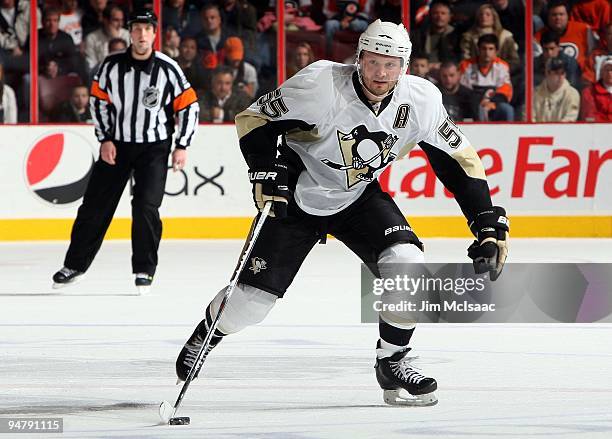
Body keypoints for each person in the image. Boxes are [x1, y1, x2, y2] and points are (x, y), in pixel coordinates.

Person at [176, 20, 509, 406]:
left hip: (358, 197)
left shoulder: (422, 101)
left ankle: (393, 359)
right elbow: (254, 119)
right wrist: (266, 170)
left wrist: (486, 222)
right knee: (250, 305)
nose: (380, 74)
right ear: (358, 60)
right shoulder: (320, 84)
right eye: (372, 62)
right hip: (298, 197)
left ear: (405, 67)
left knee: (407, 263)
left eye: (391, 64)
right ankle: (209, 332)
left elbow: (459, 162)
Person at [52, 9, 199, 294]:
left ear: (155, 34)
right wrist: (105, 138)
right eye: (137, 29)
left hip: (154, 148)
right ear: (129, 33)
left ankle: (144, 269)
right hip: (116, 146)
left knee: (145, 208)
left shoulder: (168, 68)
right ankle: (75, 265)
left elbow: (189, 105)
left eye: (147, 29)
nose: (142, 34)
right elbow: (98, 102)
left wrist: (182, 144)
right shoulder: (111, 66)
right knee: (94, 207)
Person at [459, 34, 514, 121]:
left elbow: (506, 90)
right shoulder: (466, 65)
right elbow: (463, 90)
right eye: (483, 48)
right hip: (472, 105)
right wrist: (479, 102)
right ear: (479, 49)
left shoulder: (502, 66)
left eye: (491, 49)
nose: (487, 53)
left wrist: (492, 102)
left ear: (496, 51)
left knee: (507, 109)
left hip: (494, 104)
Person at [459, 3, 519, 73]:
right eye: (481, 14)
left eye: (487, 14)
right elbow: (465, 58)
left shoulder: (506, 37)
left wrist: (502, 70)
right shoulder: (468, 37)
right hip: (474, 73)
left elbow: (514, 61)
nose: (484, 17)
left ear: (494, 18)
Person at [84, 4, 130, 72]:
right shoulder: (92, 38)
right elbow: (91, 67)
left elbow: (129, 63)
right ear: (105, 20)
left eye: (121, 20)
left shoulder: (127, 35)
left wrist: (116, 39)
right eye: (116, 20)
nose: (120, 24)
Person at [534, 57, 580, 122]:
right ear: (547, 73)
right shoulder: (534, 93)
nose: (560, 77)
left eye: (562, 73)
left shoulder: (572, 94)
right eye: (556, 73)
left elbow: (569, 120)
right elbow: (529, 118)